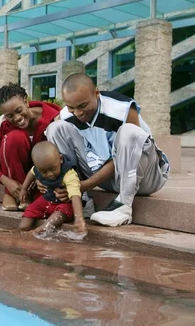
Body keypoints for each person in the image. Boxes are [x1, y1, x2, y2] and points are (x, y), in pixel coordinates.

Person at [44, 73, 170, 227]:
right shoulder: (67, 115)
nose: (78, 113)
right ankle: (82, 201)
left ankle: (123, 206)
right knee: (55, 128)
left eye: (83, 105)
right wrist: (43, 178)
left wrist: (87, 184)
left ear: (96, 93)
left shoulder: (122, 108)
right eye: (71, 107)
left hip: (145, 176)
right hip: (107, 179)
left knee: (129, 132)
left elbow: (130, 155)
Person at [0, 83, 60, 211]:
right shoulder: (0, 126)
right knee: (13, 138)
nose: (17, 118)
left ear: (26, 101)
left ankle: (29, 196)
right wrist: (7, 182)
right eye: (10, 116)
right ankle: (14, 195)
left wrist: (43, 177)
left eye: (19, 110)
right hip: (16, 178)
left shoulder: (55, 119)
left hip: (45, 176)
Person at [15, 141, 86, 235]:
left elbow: (75, 195)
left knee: (61, 213)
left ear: (60, 159)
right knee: (31, 208)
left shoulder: (69, 174)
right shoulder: (38, 168)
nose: (49, 174)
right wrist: (24, 189)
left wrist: (79, 218)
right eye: (44, 172)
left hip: (64, 203)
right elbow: (31, 173)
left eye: (53, 169)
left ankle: (39, 230)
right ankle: (22, 228)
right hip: (47, 199)